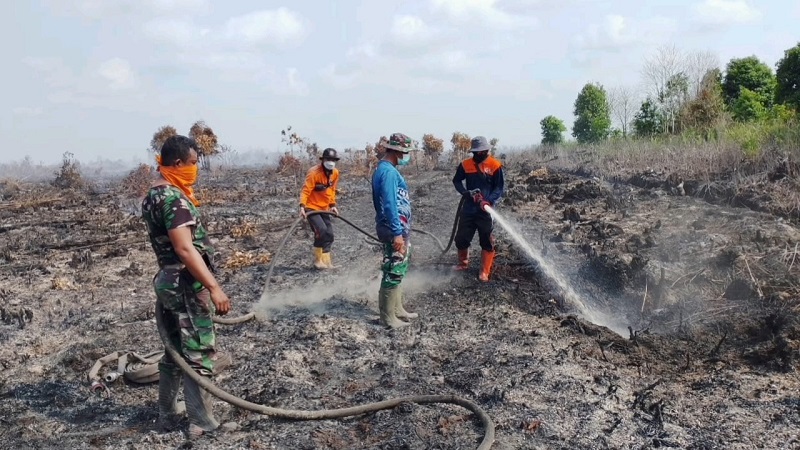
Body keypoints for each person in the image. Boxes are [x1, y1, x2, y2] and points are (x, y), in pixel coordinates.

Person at [141, 135, 236, 437]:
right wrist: (214, 286)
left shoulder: (153, 195)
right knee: (198, 351)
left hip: (167, 281)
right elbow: (184, 248)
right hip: (186, 282)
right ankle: (201, 421)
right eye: (194, 163)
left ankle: (167, 413)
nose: (196, 169)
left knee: (174, 350)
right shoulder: (174, 199)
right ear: (178, 163)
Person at [371, 133, 419, 328]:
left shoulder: (387, 170)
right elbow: (390, 204)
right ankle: (387, 317)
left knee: (399, 266)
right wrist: (397, 232)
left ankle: (397, 309)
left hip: (397, 226)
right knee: (394, 268)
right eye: (406, 152)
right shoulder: (388, 172)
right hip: (393, 227)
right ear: (397, 151)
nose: (407, 156)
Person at [452, 136, 505, 282]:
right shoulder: (466, 165)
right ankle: (463, 263)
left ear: (487, 150)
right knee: (461, 238)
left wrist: (488, 201)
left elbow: (499, 188)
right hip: (468, 208)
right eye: (476, 152)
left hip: (486, 211)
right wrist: (465, 193)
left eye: (482, 152)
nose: (479, 155)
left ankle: (484, 271)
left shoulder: (495, 165)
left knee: (486, 240)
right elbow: (456, 181)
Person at [299, 148, 340, 270]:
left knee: (329, 234)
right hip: (311, 208)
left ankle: (327, 262)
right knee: (321, 230)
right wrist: (302, 206)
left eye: (333, 160)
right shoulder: (314, 173)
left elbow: (332, 190)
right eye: (328, 159)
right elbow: (306, 190)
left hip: (324, 208)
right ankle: (318, 261)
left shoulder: (335, 173)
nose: (330, 162)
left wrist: (332, 206)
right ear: (323, 160)